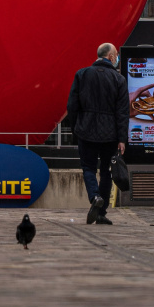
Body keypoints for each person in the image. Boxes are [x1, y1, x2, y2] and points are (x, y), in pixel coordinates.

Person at [66, 42, 129, 226]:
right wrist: (122, 139)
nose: (117, 58)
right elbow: (123, 112)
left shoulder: (82, 74)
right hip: (110, 133)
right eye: (116, 54)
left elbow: (72, 105)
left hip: (86, 130)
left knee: (88, 168)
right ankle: (101, 213)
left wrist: (76, 127)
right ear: (110, 57)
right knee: (107, 172)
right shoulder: (119, 80)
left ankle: (94, 196)